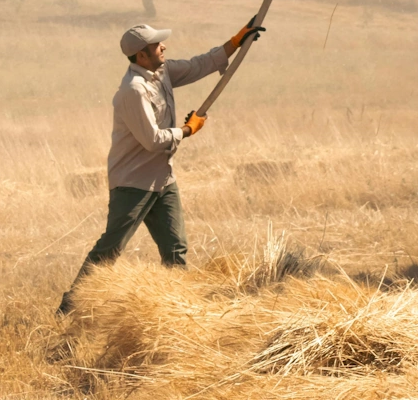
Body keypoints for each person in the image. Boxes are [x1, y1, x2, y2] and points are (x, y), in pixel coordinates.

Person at [56, 17, 265, 315]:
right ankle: (70, 308)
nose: (163, 46)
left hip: (162, 179)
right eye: (157, 45)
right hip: (132, 183)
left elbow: (198, 65)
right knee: (110, 250)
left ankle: (175, 311)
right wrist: (188, 130)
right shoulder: (133, 90)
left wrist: (234, 43)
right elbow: (153, 140)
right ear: (141, 55)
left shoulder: (162, 71)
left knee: (175, 248)